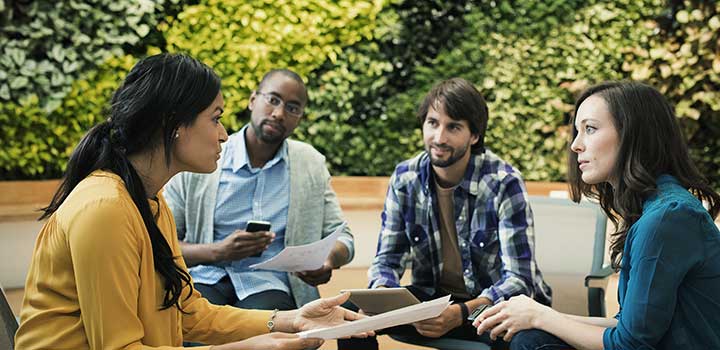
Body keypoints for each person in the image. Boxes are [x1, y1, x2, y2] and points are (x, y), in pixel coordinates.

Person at [14, 53, 367, 349]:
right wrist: (248, 346)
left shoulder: (150, 203)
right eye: (215, 118)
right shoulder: (104, 208)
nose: (225, 134)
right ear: (174, 124)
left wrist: (290, 319)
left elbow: (186, 310)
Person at [473, 81, 720, 350]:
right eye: (577, 132)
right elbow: (628, 326)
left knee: (531, 342)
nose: (576, 145)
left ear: (633, 134)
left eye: (590, 129)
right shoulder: (654, 208)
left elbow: (630, 344)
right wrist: (534, 316)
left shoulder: (667, 218)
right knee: (523, 333)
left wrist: (540, 315)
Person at [339, 77, 552, 349]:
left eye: (453, 127)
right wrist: (382, 298)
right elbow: (387, 260)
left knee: (523, 339)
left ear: (474, 135)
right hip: (431, 302)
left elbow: (520, 281)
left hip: (488, 307)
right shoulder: (406, 178)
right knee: (348, 314)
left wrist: (461, 313)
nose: (439, 138)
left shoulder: (503, 182)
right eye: (433, 123)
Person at [163, 68, 354, 312]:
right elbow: (162, 243)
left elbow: (343, 238)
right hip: (205, 277)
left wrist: (327, 260)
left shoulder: (310, 164)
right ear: (253, 100)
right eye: (272, 100)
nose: (278, 113)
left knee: (269, 325)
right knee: (195, 319)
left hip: (271, 284)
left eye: (292, 108)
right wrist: (217, 251)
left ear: (300, 118)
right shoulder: (204, 157)